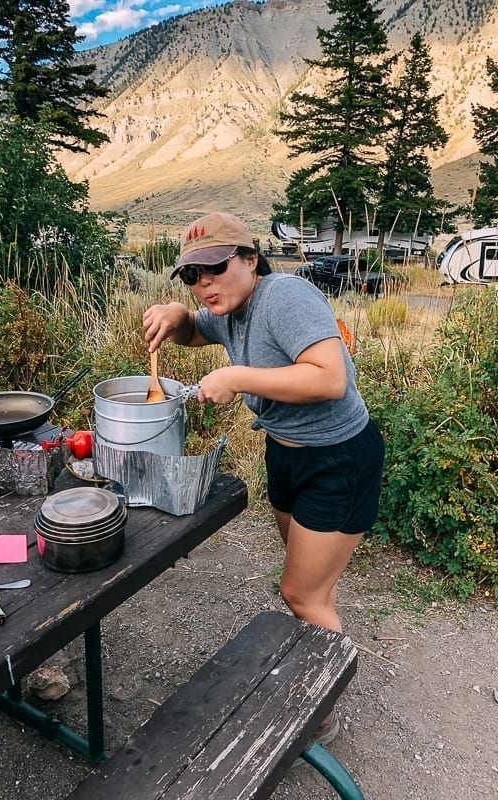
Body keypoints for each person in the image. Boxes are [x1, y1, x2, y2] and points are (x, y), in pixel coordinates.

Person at [143, 212, 384, 744]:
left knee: (302, 594)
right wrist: (173, 311)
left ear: (250, 260)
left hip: (338, 460)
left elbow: (329, 377)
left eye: (214, 267)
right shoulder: (230, 307)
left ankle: (319, 718)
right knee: (310, 588)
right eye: (191, 275)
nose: (204, 282)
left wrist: (235, 375)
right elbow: (191, 330)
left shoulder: (284, 296)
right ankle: (311, 662)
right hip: (288, 455)